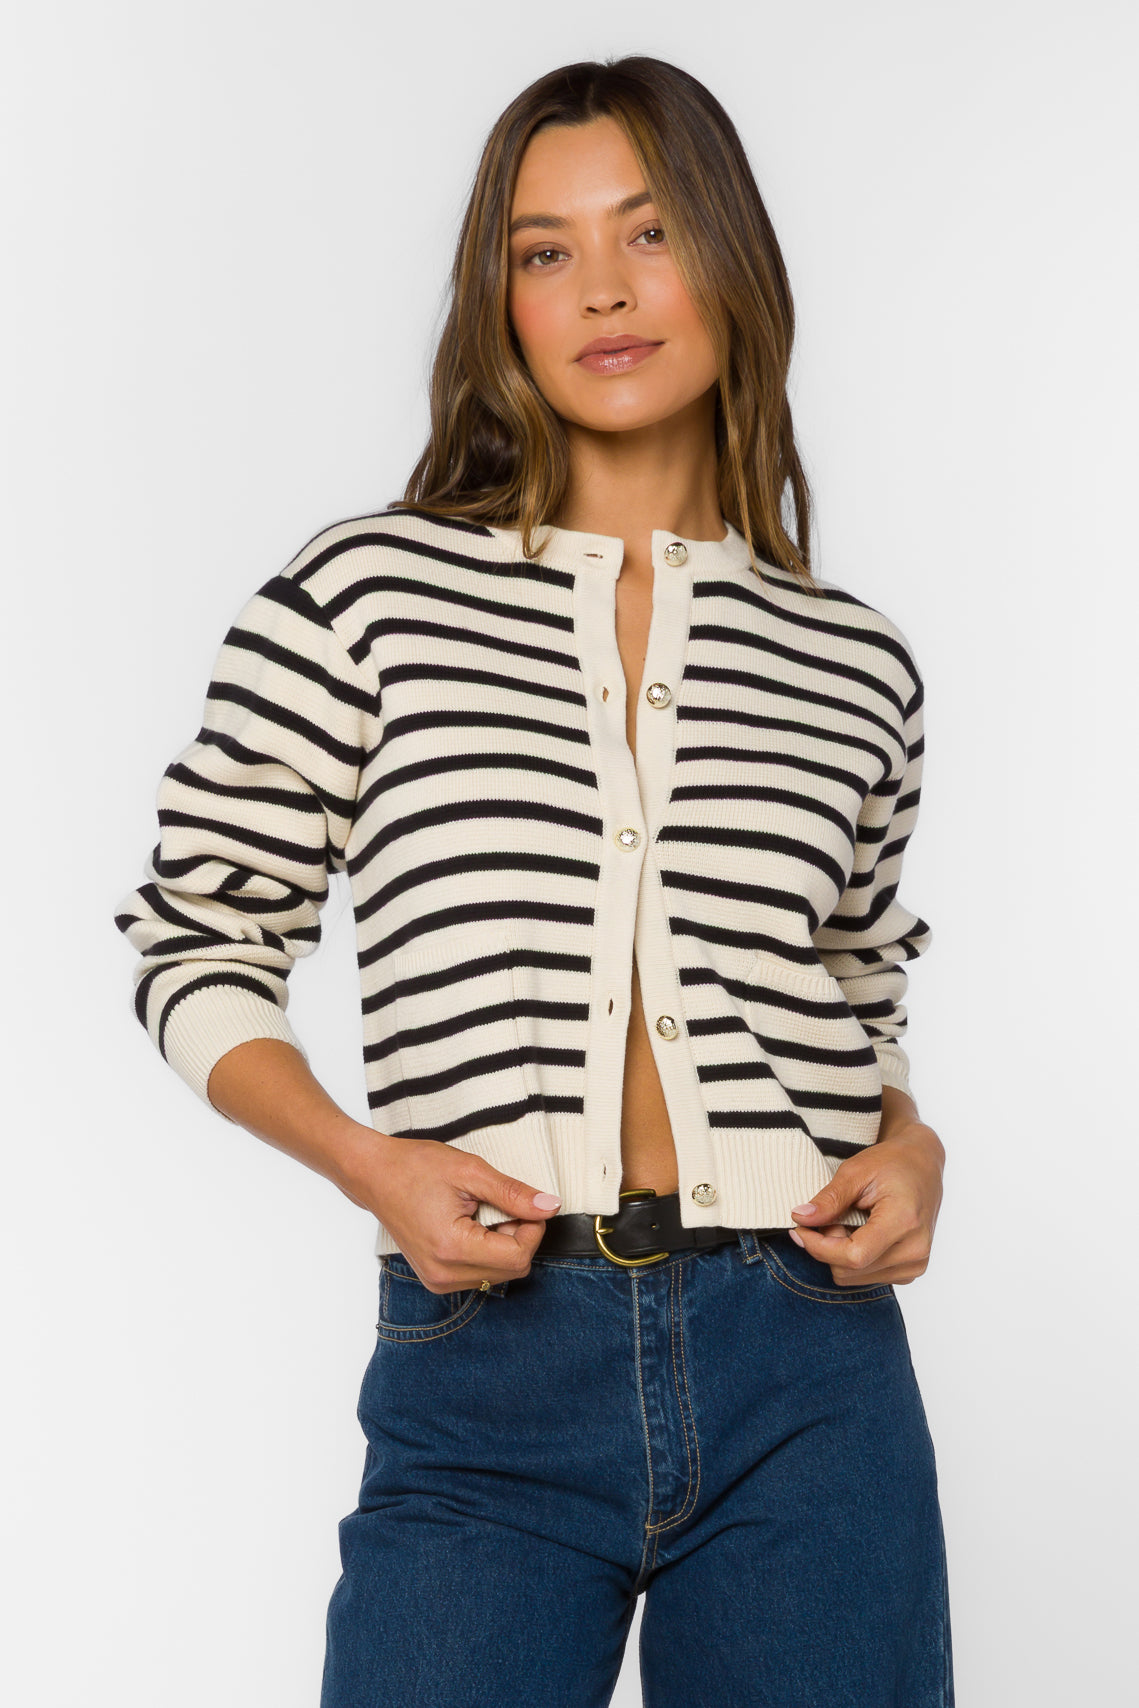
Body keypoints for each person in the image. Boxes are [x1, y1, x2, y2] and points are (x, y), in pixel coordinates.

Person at [113, 54, 953, 1708]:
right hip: (484, 1370)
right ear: (498, 302)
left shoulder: (853, 660)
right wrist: (367, 1164)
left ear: (730, 257)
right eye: (544, 251)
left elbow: (858, 981)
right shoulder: (365, 596)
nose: (604, 291)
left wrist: (911, 1145)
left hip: (812, 1368)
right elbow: (195, 937)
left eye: (649, 232)